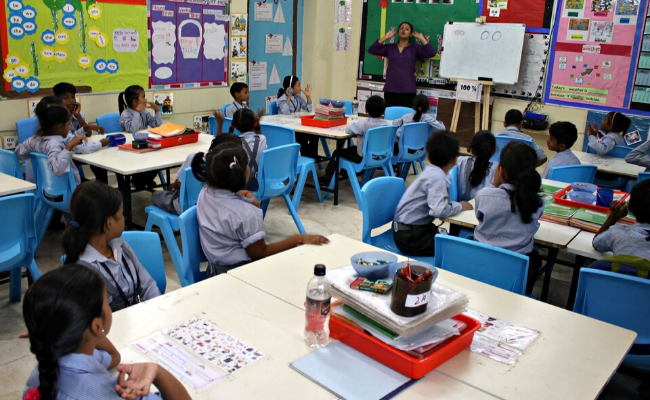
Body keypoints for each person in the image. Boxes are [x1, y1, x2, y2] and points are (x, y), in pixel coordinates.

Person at [22, 264, 191, 400]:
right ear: (96, 326)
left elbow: (113, 357)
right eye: (107, 303)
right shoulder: (116, 393)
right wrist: (159, 373)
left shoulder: (44, 369)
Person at [194, 142, 329, 276]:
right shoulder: (245, 214)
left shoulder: (205, 193)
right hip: (238, 274)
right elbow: (260, 253)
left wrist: (247, 201)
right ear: (240, 173)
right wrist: (298, 239)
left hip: (213, 271)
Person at [63, 181, 161, 311]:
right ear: (109, 222)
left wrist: (157, 312)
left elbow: (147, 285)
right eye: (121, 215)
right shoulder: (84, 272)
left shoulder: (121, 247)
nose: (124, 218)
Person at [474, 142, 545, 294]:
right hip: (516, 270)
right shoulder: (538, 202)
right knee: (535, 258)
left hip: (481, 263)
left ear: (501, 169)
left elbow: (480, 217)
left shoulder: (484, 195)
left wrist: (494, 183)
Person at [393, 131, 473, 256]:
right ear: (454, 159)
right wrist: (460, 206)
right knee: (456, 249)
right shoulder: (437, 177)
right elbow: (438, 211)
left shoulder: (433, 172)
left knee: (453, 239)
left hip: (415, 230)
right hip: (410, 237)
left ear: (428, 156)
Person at [15, 97, 109, 185]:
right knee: (103, 190)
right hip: (63, 191)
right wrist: (69, 147)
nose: (69, 128)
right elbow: (58, 169)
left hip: (43, 187)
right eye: (68, 125)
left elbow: (19, 153)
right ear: (59, 126)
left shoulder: (34, 139)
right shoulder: (55, 143)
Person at [152, 130, 241, 215]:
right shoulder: (234, 167)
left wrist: (171, 187)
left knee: (155, 194)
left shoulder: (195, 159)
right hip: (213, 207)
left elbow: (178, 185)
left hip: (185, 206)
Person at [322, 95, 389, 183]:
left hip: (362, 158)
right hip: (379, 156)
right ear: (384, 111)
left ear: (366, 110)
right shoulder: (386, 125)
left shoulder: (363, 124)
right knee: (351, 149)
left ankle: (327, 177)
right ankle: (345, 172)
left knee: (337, 152)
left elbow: (349, 129)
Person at [53, 82, 112, 183]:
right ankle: (101, 191)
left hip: (74, 153)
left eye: (73, 97)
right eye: (66, 98)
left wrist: (78, 115)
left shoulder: (77, 115)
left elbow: (88, 134)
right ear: (57, 100)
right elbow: (73, 141)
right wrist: (100, 143)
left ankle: (102, 187)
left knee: (98, 164)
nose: (71, 101)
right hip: (68, 156)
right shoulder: (56, 119)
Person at [368, 22, 436, 107]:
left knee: (406, 118)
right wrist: (386, 37)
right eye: (401, 28)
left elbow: (431, 53)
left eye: (407, 29)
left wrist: (422, 38)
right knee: (390, 117)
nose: (403, 30)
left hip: (407, 89)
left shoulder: (415, 49)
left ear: (411, 34)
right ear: (397, 32)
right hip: (390, 88)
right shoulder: (390, 48)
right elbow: (372, 50)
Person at [117, 85, 163, 189]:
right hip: (131, 146)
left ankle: (144, 181)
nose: (146, 99)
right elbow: (133, 129)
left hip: (143, 144)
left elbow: (157, 126)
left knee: (157, 158)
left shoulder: (145, 112)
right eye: (143, 97)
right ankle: (138, 181)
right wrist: (137, 112)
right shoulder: (126, 114)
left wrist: (156, 111)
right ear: (135, 101)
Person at [592, 180, 650, 260]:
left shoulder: (616, 233)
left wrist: (613, 217)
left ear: (629, 207)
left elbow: (597, 243)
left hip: (620, 272)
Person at [275, 75, 318, 159]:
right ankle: (307, 158)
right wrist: (289, 96)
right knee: (303, 139)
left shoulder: (298, 98)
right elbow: (285, 112)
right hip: (287, 129)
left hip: (297, 127)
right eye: (298, 85)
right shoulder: (282, 99)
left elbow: (309, 109)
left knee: (314, 136)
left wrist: (308, 96)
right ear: (290, 88)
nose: (300, 87)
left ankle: (311, 158)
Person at [456, 131, 497, 201]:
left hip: (462, 208)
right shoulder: (498, 169)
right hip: (485, 209)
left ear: (472, 150)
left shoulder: (459, 161)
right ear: (494, 151)